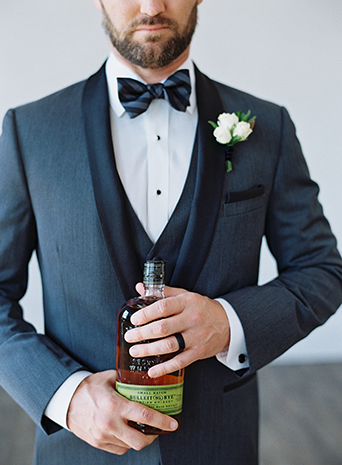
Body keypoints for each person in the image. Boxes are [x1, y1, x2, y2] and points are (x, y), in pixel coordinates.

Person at [0, 0, 341, 464]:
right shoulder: (29, 132)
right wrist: (67, 395)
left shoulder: (268, 127)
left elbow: (322, 271)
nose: (151, 6)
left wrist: (227, 324)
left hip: (219, 446)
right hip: (78, 452)